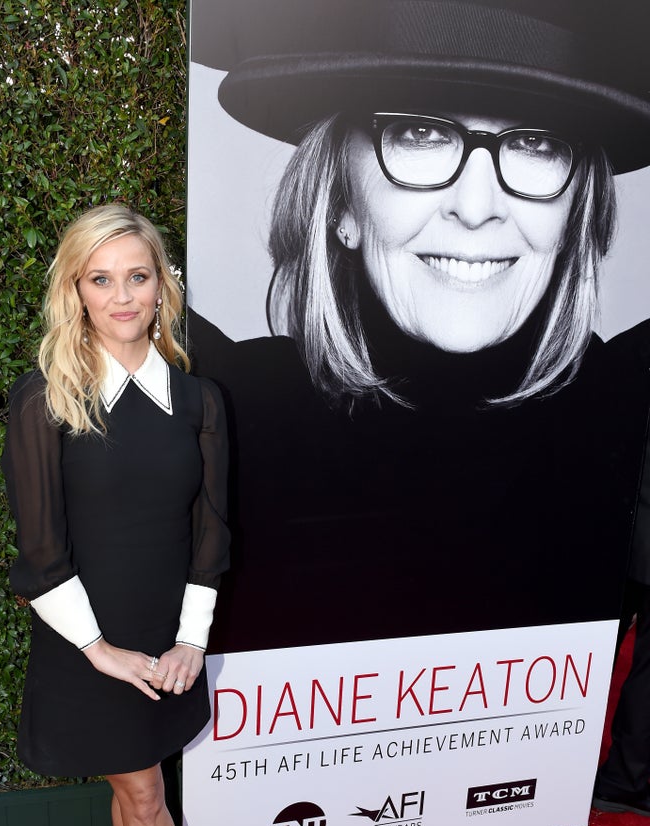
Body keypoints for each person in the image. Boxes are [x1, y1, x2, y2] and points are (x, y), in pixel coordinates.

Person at [187, 0, 650, 654]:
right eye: (419, 134)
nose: (476, 207)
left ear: (578, 213)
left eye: (537, 143)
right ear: (341, 199)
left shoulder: (633, 419)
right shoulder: (217, 410)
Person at [1, 204, 230, 826]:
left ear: (161, 286)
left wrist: (191, 641)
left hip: (168, 641)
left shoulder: (200, 400)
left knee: (135, 786)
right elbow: (38, 555)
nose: (123, 296)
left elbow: (212, 532)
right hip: (85, 643)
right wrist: (100, 650)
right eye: (102, 279)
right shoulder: (45, 404)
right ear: (76, 291)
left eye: (138, 276)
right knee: (142, 792)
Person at [593, 433, 650, 816]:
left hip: (614, 528)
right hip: (619, 526)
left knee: (589, 653)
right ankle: (624, 779)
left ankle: (556, 768)